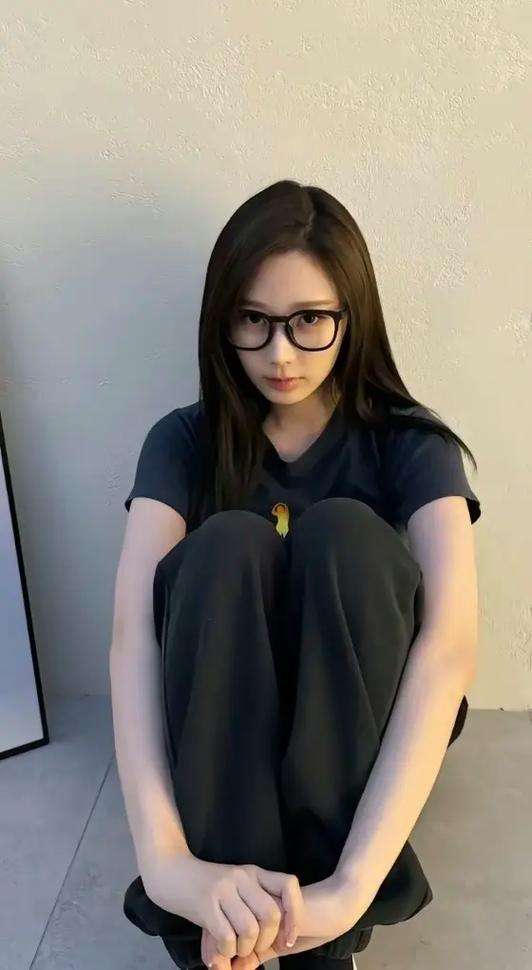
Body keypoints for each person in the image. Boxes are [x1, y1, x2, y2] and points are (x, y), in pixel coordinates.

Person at [110, 179, 481, 970]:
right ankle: (224, 918)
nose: (280, 354)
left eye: (309, 320)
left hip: (351, 705)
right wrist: (167, 864)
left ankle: (320, 938)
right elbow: (133, 637)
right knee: (225, 547)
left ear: (353, 316)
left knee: (346, 535)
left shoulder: (411, 443)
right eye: (254, 320)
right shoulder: (184, 441)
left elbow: (451, 646)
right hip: (228, 710)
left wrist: (350, 888)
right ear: (223, 321)